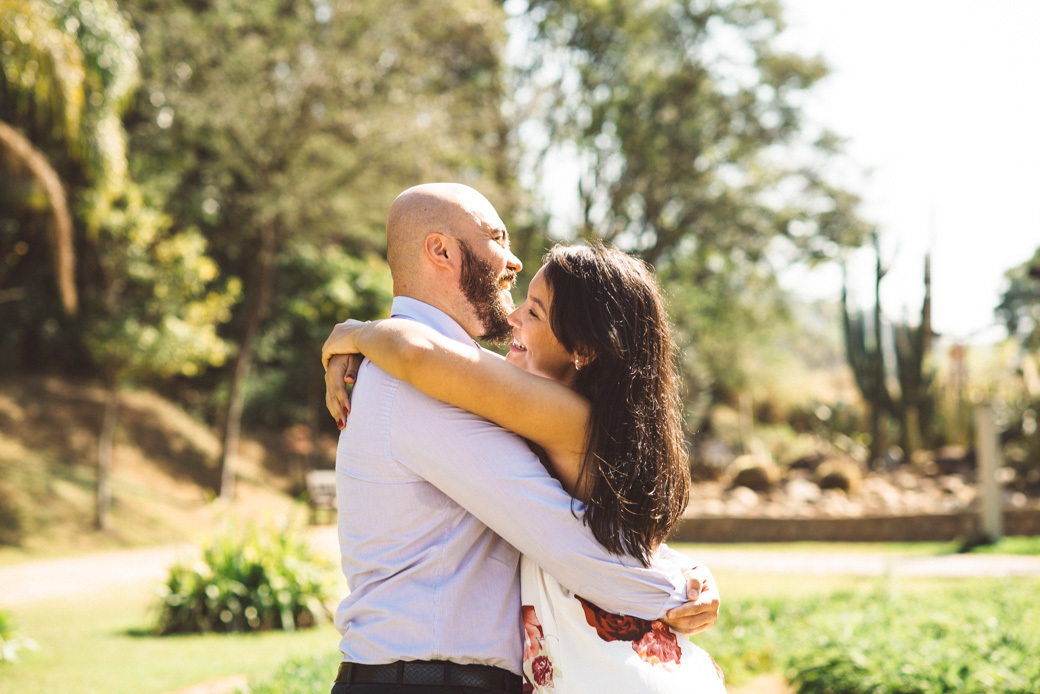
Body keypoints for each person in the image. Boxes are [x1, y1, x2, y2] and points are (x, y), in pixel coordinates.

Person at [322, 183, 720, 694]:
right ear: (441, 249)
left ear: (582, 347)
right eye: (496, 237)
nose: (513, 261)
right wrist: (679, 586)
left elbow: (576, 532)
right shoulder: (422, 383)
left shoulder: (488, 390)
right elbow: (571, 540)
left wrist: (357, 332)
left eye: (535, 311)